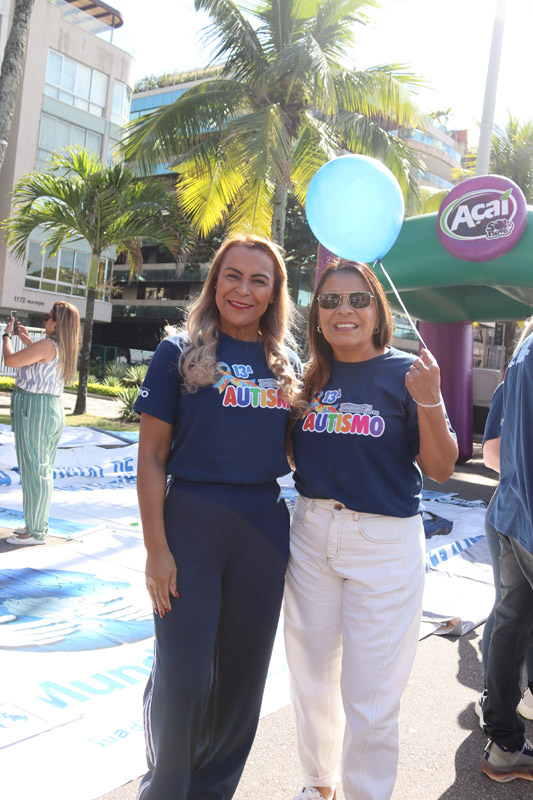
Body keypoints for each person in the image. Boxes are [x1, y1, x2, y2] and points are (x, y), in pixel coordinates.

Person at [133, 234, 301, 800]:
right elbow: (152, 457)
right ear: (215, 281)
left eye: (260, 280)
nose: (244, 289)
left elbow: (301, 449)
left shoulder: (288, 365)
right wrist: (157, 550)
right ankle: (165, 790)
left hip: (262, 528)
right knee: (181, 678)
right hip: (190, 525)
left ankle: (213, 792)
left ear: (274, 292)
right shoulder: (177, 352)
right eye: (233, 275)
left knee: (242, 682)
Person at [284, 260, 458, 800]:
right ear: (316, 315)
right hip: (311, 532)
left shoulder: (409, 372)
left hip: (384, 543)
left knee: (372, 694)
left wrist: (429, 398)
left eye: (358, 300)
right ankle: (319, 784)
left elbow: (442, 466)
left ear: (378, 309)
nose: (345, 311)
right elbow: (290, 451)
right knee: (310, 678)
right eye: (331, 301)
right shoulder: (306, 376)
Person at [480, 323, 533, 782]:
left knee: (510, 623)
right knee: (510, 623)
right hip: (521, 513)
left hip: (513, 512)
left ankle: (504, 742)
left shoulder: (522, 353)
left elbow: (496, 453)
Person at [2, 302, 80, 545]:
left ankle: (36, 531)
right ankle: (34, 525)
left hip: (36, 409)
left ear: (57, 323)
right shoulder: (62, 346)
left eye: (48, 317)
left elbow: (11, 361)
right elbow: (41, 363)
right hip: (48, 408)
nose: (45, 320)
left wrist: (6, 336)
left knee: (35, 470)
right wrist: (26, 342)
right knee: (39, 469)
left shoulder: (48, 345)